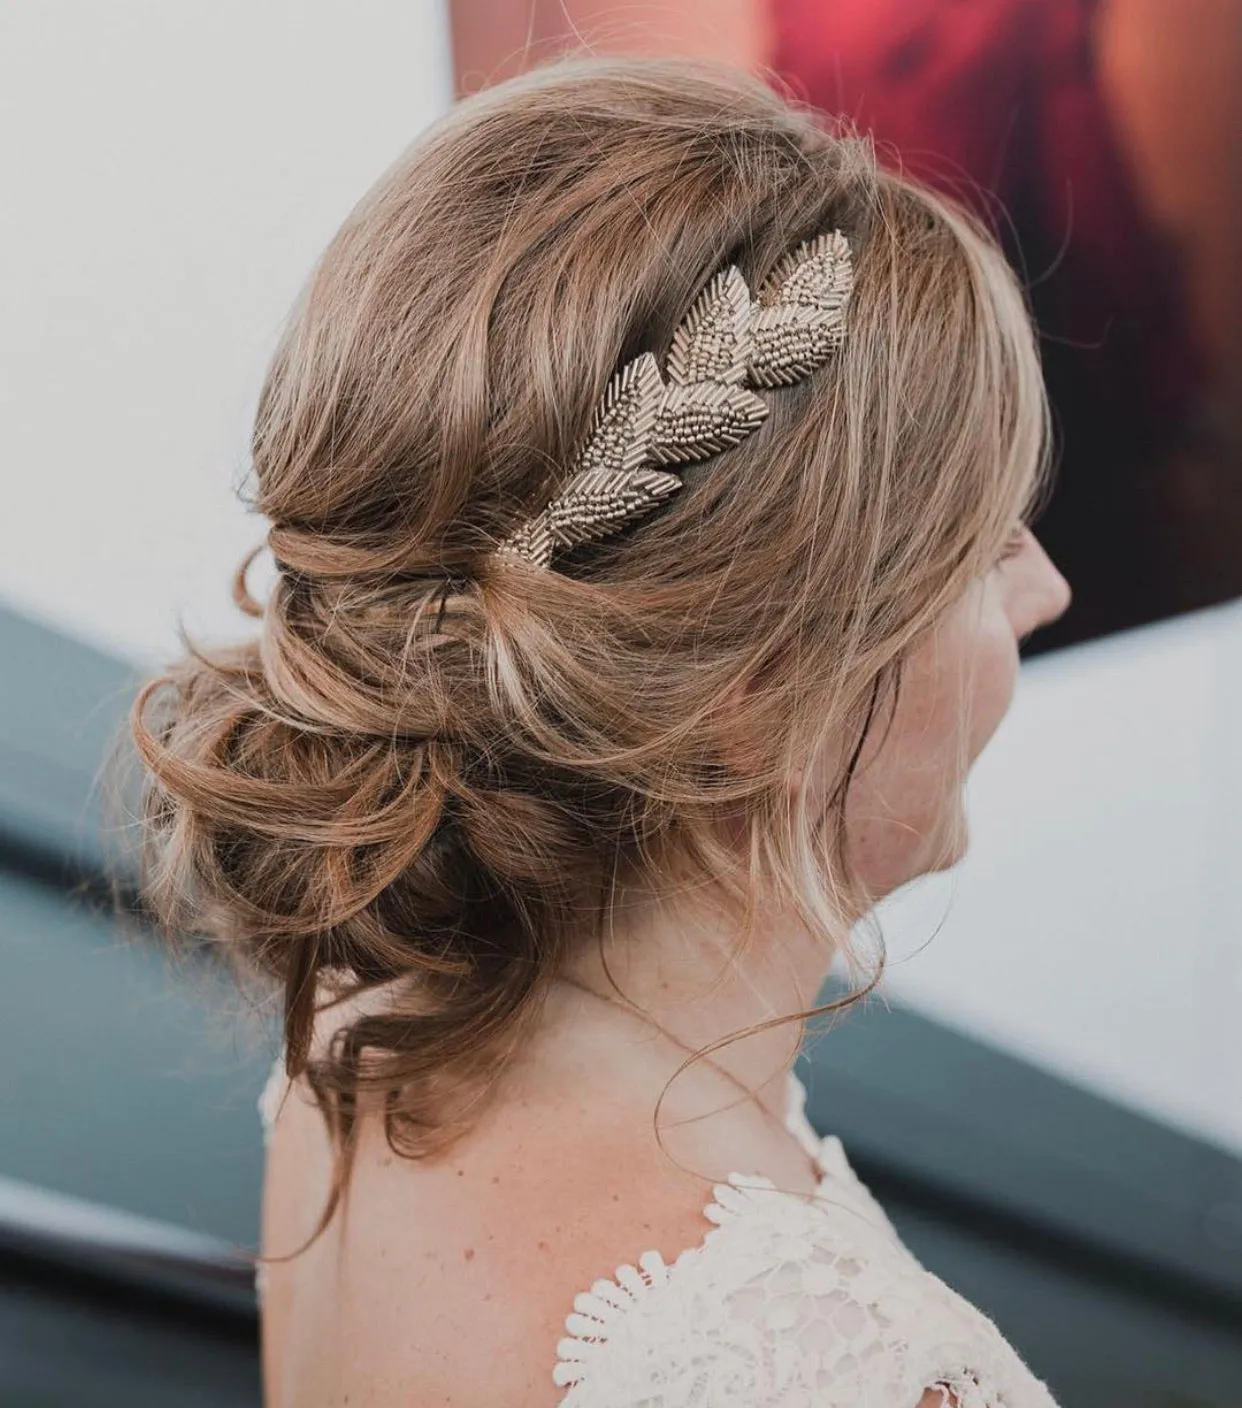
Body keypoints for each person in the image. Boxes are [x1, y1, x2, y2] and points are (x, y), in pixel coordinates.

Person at [129, 56, 1071, 1407]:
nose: (1045, 591)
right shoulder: (844, 1372)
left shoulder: (361, 1030)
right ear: (751, 695)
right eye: (984, 550)